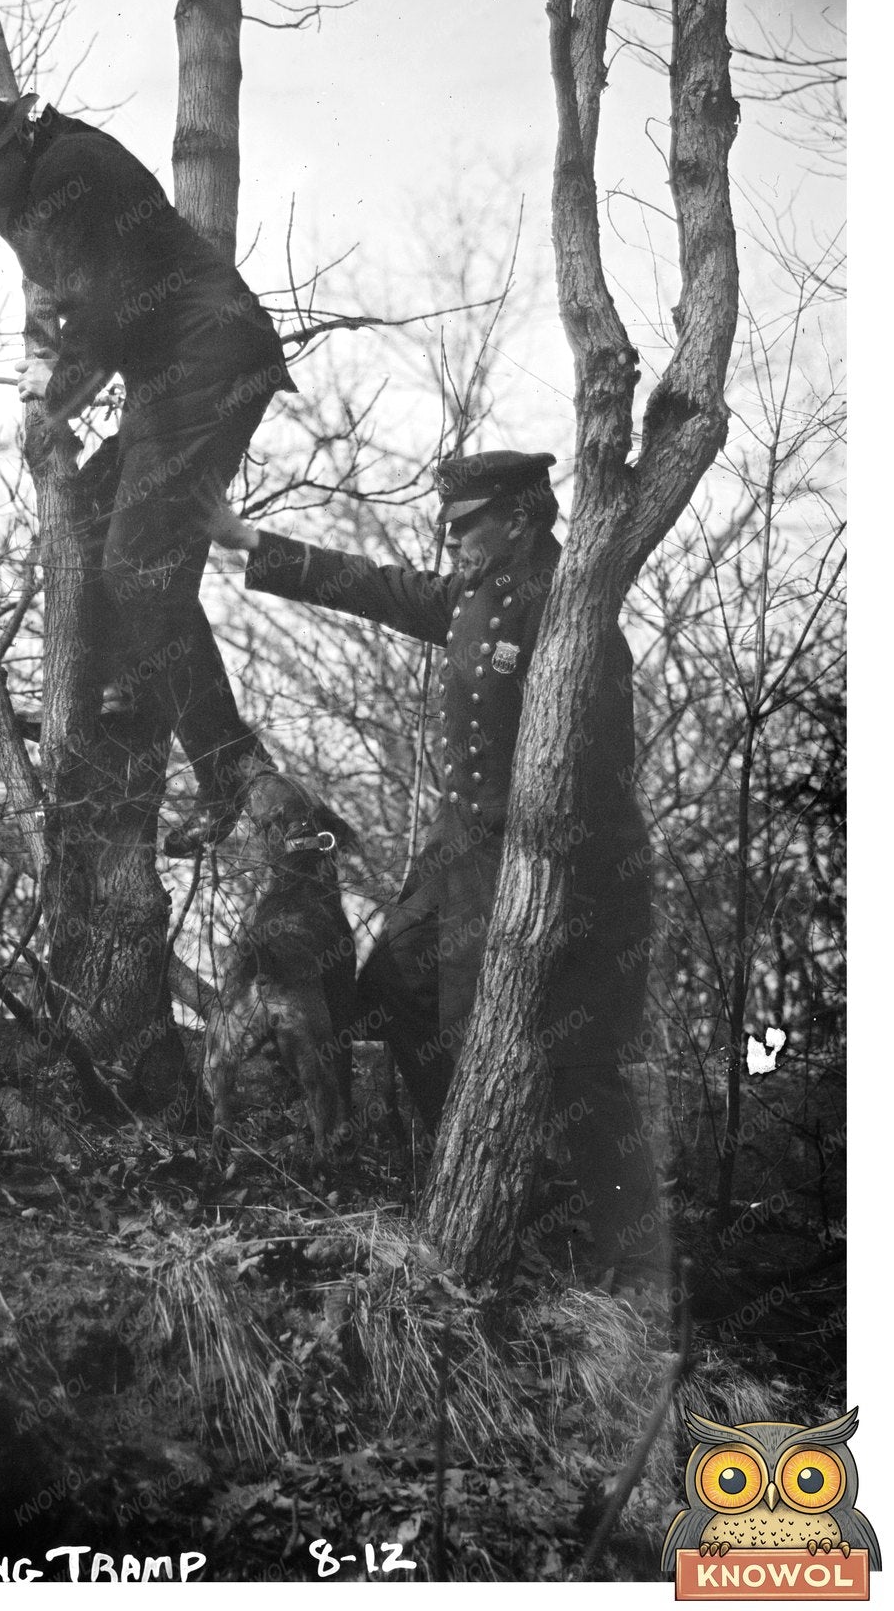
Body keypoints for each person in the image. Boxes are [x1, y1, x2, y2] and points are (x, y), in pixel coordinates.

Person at [205, 449, 662, 1283]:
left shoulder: (573, 611)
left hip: (563, 863)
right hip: (461, 851)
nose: (449, 541)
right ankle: (476, 1172)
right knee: (397, 988)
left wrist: (556, 882)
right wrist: (246, 540)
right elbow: (379, 587)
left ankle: (626, 1256)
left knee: (579, 1062)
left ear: (518, 519)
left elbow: (603, 769)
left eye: (465, 525)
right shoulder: (473, 594)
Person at [0, 90, 296, 855]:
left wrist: (55, 397)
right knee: (94, 512)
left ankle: (227, 767)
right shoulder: (43, 173)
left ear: (12, 148)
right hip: (173, 374)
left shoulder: (72, 169)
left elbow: (105, 309)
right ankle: (121, 691)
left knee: (139, 568)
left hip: (213, 364)